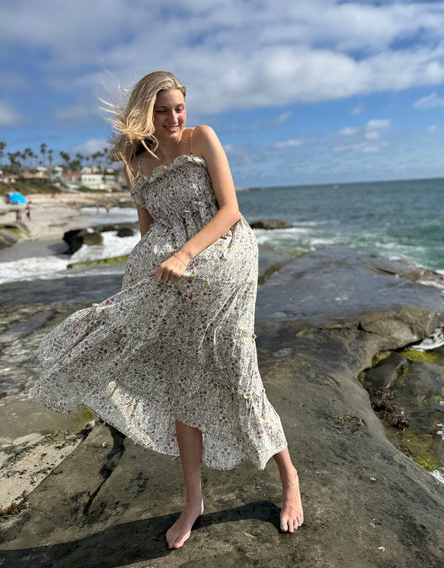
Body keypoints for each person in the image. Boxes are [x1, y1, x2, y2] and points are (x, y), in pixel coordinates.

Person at [32, 71, 304, 549]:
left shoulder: (202, 138)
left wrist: (184, 256)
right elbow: (148, 230)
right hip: (172, 267)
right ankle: (193, 501)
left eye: (179, 107)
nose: (174, 118)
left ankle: (290, 481)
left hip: (224, 256)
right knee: (181, 377)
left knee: (238, 372)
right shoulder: (132, 160)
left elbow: (231, 211)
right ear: (144, 114)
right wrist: (153, 283)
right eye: (163, 111)